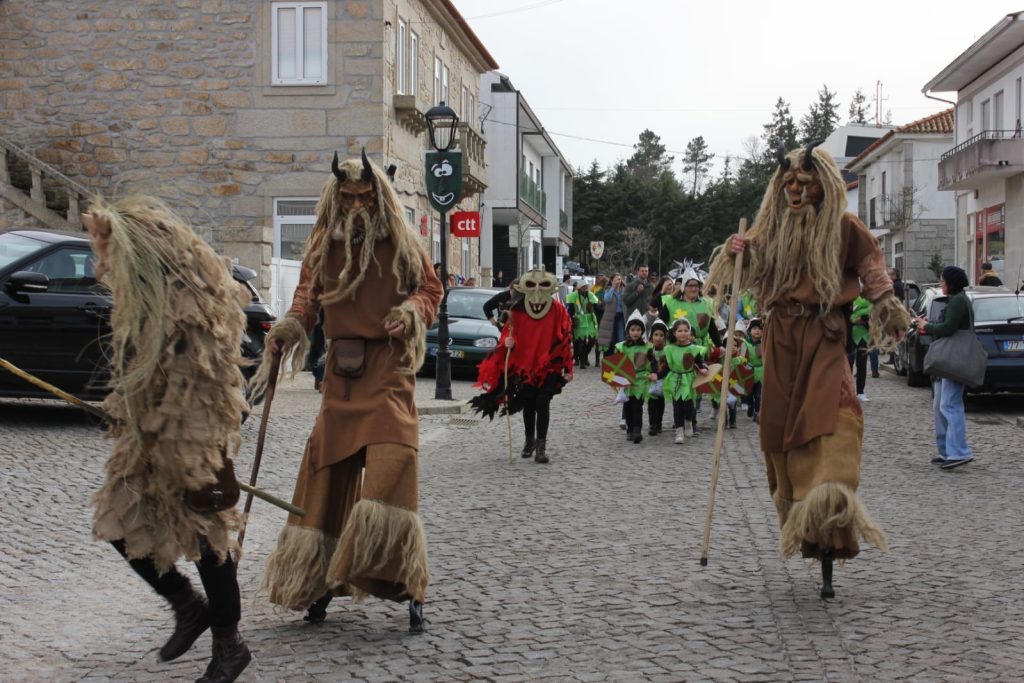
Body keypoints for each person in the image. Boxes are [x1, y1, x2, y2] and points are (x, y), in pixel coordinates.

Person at [706, 142, 909, 599]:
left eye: (804, 183)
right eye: (789, 184)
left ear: (824, 184)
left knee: (832, 420)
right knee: (778, 430)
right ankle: (802, 516)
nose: (796, 191)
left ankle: (829, 513)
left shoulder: (843, 225)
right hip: (780, 339)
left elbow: (871, 262)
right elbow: (749, 265)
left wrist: (887, 305)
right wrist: (739, 249)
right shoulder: (772, 226)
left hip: (823, 336)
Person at [254, 151, 443, 632]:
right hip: (341, 372)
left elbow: (430, 291)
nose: (356, 205)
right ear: (335, 198)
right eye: (347, 197)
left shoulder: (402, 244)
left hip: (390, 368)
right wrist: (290, 329)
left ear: (378, 196)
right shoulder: (322, 244)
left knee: (391, 467)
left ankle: (404, 584)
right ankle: (317, 580)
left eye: (364, 196)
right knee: (326, 473)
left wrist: (409, 314)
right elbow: (306, 300)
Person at [84, 197, 251, 683]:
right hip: (149, 437)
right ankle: (187, 606)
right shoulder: (143, 296)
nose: (101, 269)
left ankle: (229, 646)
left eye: (109, 256)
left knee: (208, 540)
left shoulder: (189, 299)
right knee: (118, 522)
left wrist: (175, 427)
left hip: (192, 435)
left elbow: (200, 371)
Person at [471, 269, 573, 464]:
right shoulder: (516, 311)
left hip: (548, 366)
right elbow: (506, 336)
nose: (536, 292)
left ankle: (541, 447)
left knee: (543, 402)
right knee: (528, 403)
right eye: (531, 286)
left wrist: (568, 368)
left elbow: (566, 338)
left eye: (542, 286)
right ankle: (529, 441)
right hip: (525, 365)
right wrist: (507, 343)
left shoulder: (558, 310)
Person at [915, 266, 974, 470]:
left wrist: (927, 326)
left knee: (949, 405)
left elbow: (948, 328)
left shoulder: (958, 300)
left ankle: (959, 452)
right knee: (940, 405)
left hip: (953, 360)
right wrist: (928, 324)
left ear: (951, 282)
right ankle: (946, 451)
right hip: (947, 360)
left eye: (942, 281)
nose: (941, 284)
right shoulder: (955, 300)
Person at [661, 318, 709, 444]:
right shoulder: (670, 349)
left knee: (689, 407)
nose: (683, 333)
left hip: (689, 380)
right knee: (677, 407)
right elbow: (667, 366)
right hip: (675, 380)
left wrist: (703, 369)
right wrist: (657, 375)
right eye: (680, 331)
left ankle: (688, 422)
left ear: (689, 332)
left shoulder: (694, 349)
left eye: (686, 330)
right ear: (674, 333)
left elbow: (699, 362)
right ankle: (679, 431)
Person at [615, 316, 658, 444]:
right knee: (628, 406)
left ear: (642, 331)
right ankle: (629, 429)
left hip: (640, 380)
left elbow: (653, 362)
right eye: (633, 329)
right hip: (626, 380)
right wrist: (616, 377)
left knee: (637, 405)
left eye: (638, 329)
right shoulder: (621, 347)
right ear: (628, 331)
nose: (635, 332)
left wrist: (654, 373)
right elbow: (615, 363)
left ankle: (637, 430)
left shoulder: (647, 347)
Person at [565, 281, 599, 368]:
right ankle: (581, 361)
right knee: (580, 341)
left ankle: (584, 356)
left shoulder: (590, 295)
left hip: (590, 320)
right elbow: (570, 310)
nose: (585, 289)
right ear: (579, 288)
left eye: (586, 287)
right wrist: (571, 319)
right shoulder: (574, 296)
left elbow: (597, 307)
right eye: (583, 287)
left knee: (592, 340)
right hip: (579, 320)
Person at [848, 295, 872, 400]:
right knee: (849, 364)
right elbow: (850, 317)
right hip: (850, 335)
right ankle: (848, 391)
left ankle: (860, 392)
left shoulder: (869, 299)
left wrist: (864, 319)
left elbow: (873, 315)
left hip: (864, 336)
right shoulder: (851, 298)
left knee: (862, 364)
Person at [647, 319, 669, 435]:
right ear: (651, 337)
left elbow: (667, 367)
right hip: (651, 380)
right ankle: (652, 424)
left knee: (660, 402)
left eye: (661, 335)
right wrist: (650, 374)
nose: (658, 338)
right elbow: (646, 364)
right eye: (656, 335)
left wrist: (659, 375)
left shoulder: (667, 352)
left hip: (662, 380)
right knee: (651, 403)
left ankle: (658, 422)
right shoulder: (649, 351)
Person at [743, 318, 764, 423]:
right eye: (754, 328)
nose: (757, 331)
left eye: (760, 329)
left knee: (759, 395)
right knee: (749, 394)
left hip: (761, 372)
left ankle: (757, 412)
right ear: (749, 330)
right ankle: (750, 405)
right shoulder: (745, 343)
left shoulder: (765, 343)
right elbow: (742, 358)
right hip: (749, 371)